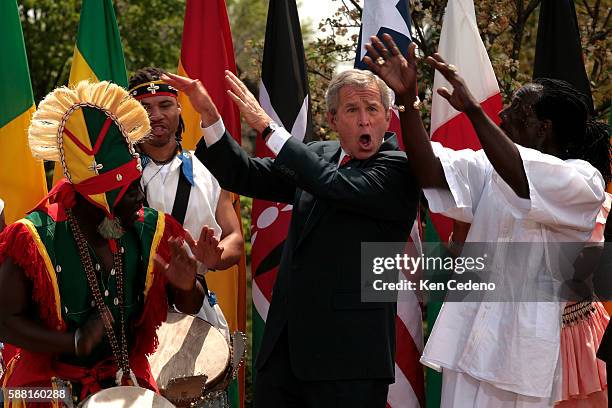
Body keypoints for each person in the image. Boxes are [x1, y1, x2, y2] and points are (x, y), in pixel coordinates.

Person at [364, 34, 610, 407]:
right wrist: (408, 103)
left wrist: (474, 110)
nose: (503, 115)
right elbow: (429, 169)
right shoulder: (488, 166)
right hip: (466, 345)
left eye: (516, 110)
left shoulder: (582, 181)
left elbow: (522, 176)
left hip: (521, 360)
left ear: (543, 129)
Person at [162, 68, 420, 407]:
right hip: (285, 357)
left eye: (372, 109)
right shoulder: (320, 154)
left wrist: (268, 129)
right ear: (332, 118)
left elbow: (333, 185)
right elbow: (248, 175)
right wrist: (210, 118)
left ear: (388, 117)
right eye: (352, 110)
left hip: (350, 362)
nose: (364, 120)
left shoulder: (399, 168)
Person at [0, 81, 219, 405]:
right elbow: (5, 321)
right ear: (99, 197)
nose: (140, 198)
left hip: (124, 377)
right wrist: (73, 343)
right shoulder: (33, 239)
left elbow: (187, 304)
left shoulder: (151, 231)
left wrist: (186, 287)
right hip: (46, 385)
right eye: (130, 189)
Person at [128, 67, 244, 339]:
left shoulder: (208, 170)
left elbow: (235, 237)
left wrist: (215, 256)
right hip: (132, 312)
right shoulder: (117, 176)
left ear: (180, 109)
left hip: (195, 306)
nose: (155, 116)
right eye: (144, 107)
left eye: (165, 105)